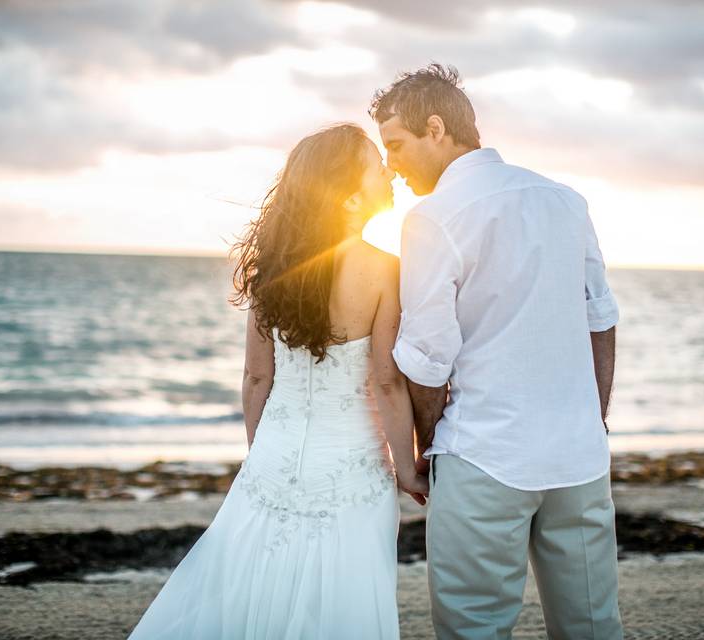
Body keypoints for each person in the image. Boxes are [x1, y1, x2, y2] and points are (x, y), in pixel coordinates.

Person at [126, 123, 428, 639]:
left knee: (251, 590)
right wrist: (408, 468)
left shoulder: (274, 271)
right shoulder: (385, 271)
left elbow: (255, 377)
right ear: (351, 199)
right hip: (352, 470)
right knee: (340, 599)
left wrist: (263, 454)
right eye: (376, 167)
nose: (389, 174)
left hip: (271, 462)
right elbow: (385, 384)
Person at [370, 64, 624, 639]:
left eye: (396, 145)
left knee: (474, 631)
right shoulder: (566, 200)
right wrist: (594, 418)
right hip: (578, 460)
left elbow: (428, 356)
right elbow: (601, 319)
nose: (392, 165)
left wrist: (430, 446)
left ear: (435, 127)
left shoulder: (432, 216)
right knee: (592, 627)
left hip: (483, 460)